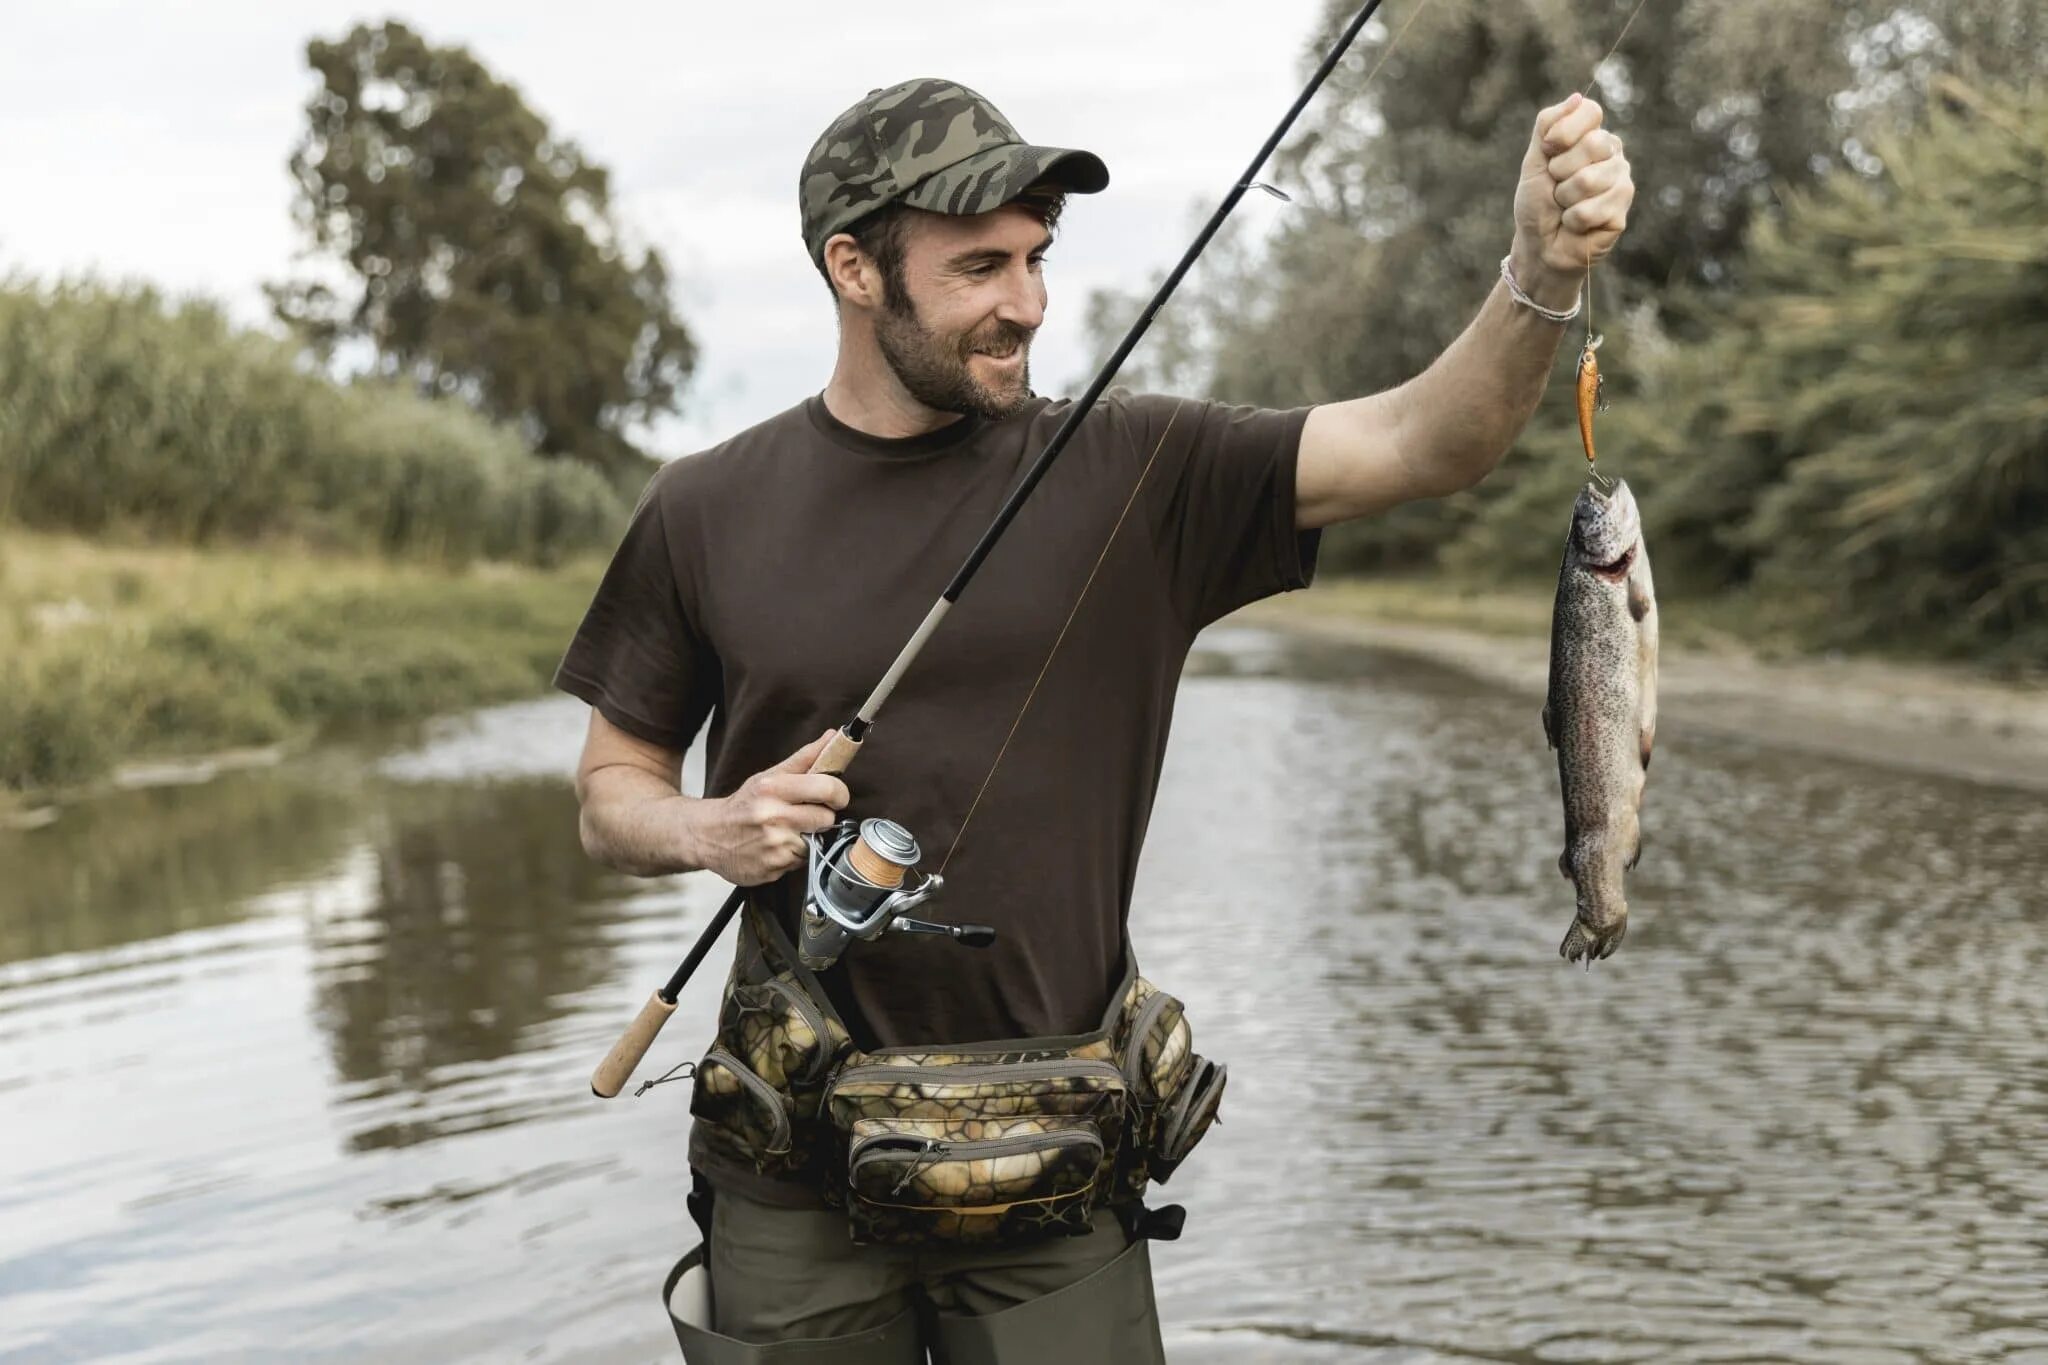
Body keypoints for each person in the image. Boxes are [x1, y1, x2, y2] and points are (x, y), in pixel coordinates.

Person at [556, 76, 1632, 1364]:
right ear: (853, 267)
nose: (1027, 302)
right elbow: (609, 790)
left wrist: (1539, 269)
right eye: (978, 267)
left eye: (1036, 257)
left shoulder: (1140, 472)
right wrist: (708, 828)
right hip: (791, 1178)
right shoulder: (703, 507)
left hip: (1061, 1173)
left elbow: (1422, 441)